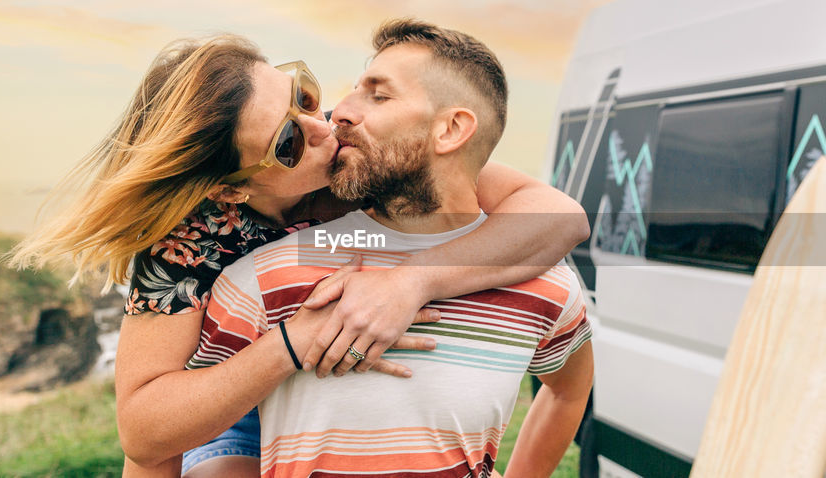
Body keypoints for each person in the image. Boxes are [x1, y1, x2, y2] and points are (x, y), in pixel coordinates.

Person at [7, 33, 589, 477]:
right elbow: (147, 433)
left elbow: (561, 219)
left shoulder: (363, 166)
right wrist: (291, 344)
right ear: (232, 189)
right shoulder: (191, 241)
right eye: (288, 140)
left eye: (304, 97)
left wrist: (412, 282)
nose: (325, 124)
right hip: (229, 390)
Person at [199, 19, 594, 477]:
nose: (337, 113)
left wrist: (413, 279)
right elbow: (158, 428)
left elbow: (569, 388)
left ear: (450, 130)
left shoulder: (546, 284)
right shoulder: (265, 272)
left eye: (379, 95)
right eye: (285, 145)